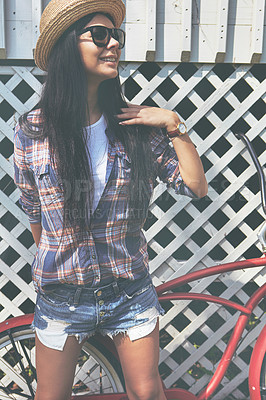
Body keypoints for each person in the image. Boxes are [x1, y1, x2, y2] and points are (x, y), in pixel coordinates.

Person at [13, 0, 208, 399]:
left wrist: (174, 124)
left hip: (129, 291)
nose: (113, 44)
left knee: (147, 394)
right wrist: (62, 260)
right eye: (99, 35)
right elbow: (35, 213)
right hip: (62, 297)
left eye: (115, 36)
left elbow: (194, 186)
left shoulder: (134, 127)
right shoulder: (34, 130)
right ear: (67, 47)